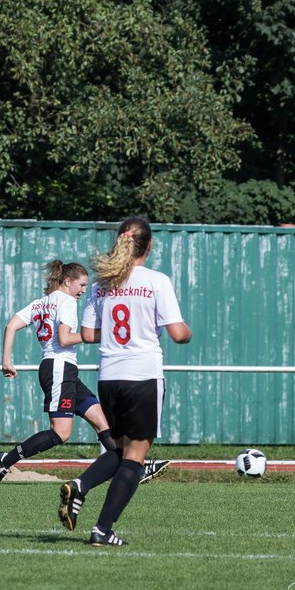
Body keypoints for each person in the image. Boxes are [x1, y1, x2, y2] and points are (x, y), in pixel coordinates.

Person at [57, 217, 191, 546]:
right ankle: (102, 529)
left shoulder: (102, 282)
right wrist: (186, 331)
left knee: (119, 449)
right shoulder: (156, 281)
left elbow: (87, 334)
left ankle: (80, 486)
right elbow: (177, 333)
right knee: (135, 457)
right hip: (142, 375)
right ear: (149, 246)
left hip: (109, 377)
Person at [0, 260, 169, 484]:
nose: (84, 290)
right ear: (67, 281)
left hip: (63, 370)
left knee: (103, 421)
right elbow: (65, 339)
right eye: (81, 285)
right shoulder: (66, 301)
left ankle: (135, 467)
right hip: (59, 368)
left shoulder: (40, 303)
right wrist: (103, 334)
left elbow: (11, 326)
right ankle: (4, 460)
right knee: (61, 433)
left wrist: (6, 361)